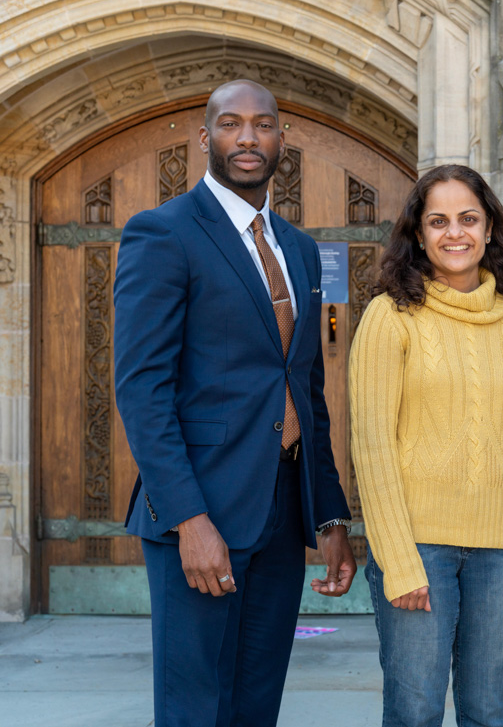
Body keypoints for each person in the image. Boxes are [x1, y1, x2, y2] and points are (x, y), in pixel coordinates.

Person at [114, 79, 357, 727]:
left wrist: (329, 513)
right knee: (196, 707)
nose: (247, 137)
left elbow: (307, 389)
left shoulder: (299, 249)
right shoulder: (163, 233)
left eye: (262, 124)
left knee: (256, 703)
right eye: (230, 124)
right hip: (201, 512)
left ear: (282, 138)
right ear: (205, 138)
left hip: (279, 512)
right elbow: (142, 387)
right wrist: (188, 519)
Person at [348, 164, 503, 727]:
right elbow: (371, 448)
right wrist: (398, 559)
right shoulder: (390, 317)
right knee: (414, 713)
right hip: (419, 549)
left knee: (490, 712)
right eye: (438, 221)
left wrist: (500, 504)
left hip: (501, 552)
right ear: (418, 233)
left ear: (490, 229)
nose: (454, 233)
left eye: (468, 219)